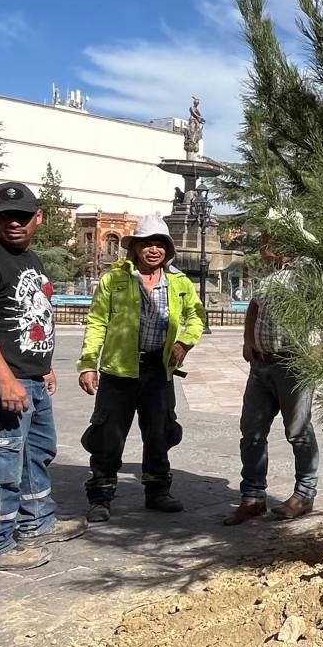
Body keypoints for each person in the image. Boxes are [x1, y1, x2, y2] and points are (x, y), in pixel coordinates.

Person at [0, 182, 86, 571]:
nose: (14, 223)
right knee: (2, 461)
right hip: (0, 384)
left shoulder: (31, 260)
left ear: (38, 218)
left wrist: (42, 367)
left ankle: (36, 523)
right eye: (5, 216)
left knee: (36, 454)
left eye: (23, 216)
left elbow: (30, 315)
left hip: (31, 379)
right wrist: (5, 379)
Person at [77, 214, 203, 521]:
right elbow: (96, 321)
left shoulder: (179, 284)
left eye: (160, 244)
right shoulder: (115, 280)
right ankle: (101, 496)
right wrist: (87, 363)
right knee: (109, 434)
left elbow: (197, 317)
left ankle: (158, 491)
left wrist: (183, 342)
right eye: (147, 244)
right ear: (135, 248)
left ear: (168, 250)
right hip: (119, 371)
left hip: (158, 371)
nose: (154, 250)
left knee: (160, 433)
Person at [225, 213, 323, 526]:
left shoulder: (310, 271)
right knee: (251, 431)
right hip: (261, 366)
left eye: (276, 236)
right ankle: (252, 498)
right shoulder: (272, 275)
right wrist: (248, 340)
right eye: (267, 237)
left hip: (293, 364)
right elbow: (254, 307)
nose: (268, 242)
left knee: (297, 431)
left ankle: (304, 493)